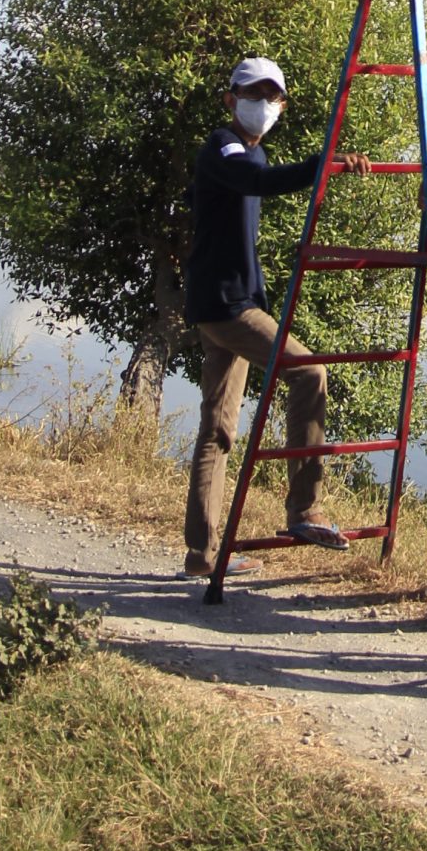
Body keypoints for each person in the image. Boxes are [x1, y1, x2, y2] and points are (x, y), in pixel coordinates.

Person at [181, 55, 369, 574]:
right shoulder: (225, 145)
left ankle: (201, 554)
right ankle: (304, 510)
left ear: (282, 105)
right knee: (309, 371)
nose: (262, 104)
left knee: (217, 428)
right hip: (228, 307)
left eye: (271, 96)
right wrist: (321, 163)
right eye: (252, 94)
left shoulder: (253, 152)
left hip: (226, 301)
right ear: (230, 99)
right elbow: (254, 181)